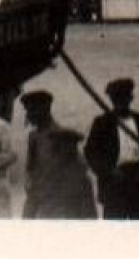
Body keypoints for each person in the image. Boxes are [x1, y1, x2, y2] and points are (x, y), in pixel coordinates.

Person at [84, 77, 139, 219]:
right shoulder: (102, 123)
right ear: (112, 100)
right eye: (116, 99)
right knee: (115, 230)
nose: (120, 102)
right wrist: (109, 171)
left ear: (130, 98)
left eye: (124, 98)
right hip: (115, 183)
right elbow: (91, 153)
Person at [21, 90, 96, 219]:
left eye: (33, 110)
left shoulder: (61, 137)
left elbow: (78, 170)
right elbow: (31, 168)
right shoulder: (33, 136)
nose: (29, 115)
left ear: (45, 109)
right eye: (28, 110)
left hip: (60, 203)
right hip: (40, 199)